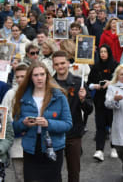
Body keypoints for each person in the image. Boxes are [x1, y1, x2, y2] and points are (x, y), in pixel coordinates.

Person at [12, 61, 73, 182]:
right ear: (30, 77)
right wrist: (23, 123)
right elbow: (15, 126)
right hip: (31, 147)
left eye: (42, 74)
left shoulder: (59, 96)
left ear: (47, 76)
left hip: (53, 146)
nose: (39, 78)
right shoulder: (23, 97)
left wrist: (48, 123)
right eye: (35, 75)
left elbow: (68, 124)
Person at [52, 51, 93, 182]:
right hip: (54, 132)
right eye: (57, 64)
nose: (60, 66)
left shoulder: (78, 83)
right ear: (53, 66)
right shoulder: (49, 84)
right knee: (53, 171)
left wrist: (82, 100)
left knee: (74, 171)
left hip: (73, 133)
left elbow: (89, 109)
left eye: (63, 63)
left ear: (68, 63)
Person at [87, 44, 118, 161]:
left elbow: (121, 80)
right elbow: (88, 83)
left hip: (112, 99)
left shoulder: (115, 66)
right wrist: (94, 86)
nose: (103, 54)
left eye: (105, 51)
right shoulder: (95, 67)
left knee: (113, 124)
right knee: (100, 125)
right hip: (99, 99)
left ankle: (114, 147)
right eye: (101, 52)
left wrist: (111, 83)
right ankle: (99, 150)